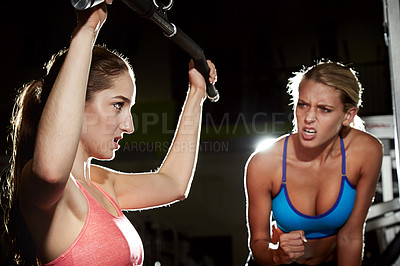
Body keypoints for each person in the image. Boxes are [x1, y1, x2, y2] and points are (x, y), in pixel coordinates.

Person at [3, 1, 217, 265]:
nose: (129, 126)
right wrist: (87, 28)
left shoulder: (101, 183)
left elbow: (174, 184)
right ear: (75, 103)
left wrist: (196, 94)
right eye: (118, 105)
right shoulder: (43, 184)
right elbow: (51, 173)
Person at [245, 61, 383, 265]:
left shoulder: (366, 152)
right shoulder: (264, 163)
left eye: (324, 109)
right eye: (303, 105)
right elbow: (258, 243)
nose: (309, 117)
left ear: (348, 115)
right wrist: (276, 255)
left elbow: (351, 235)